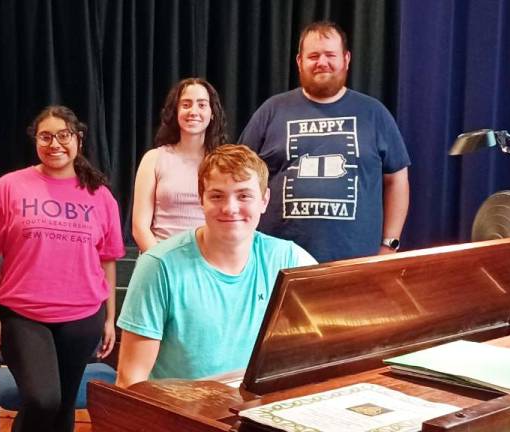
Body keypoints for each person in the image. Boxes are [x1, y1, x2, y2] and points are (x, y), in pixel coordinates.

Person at [116, 144, 317, 387]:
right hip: (179, 416)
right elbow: (131, 380)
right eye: (217, 196)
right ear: (201, 199)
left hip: (254, 410)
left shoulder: (289, 259)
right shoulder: (159, 266)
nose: (230, 208)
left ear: (264, 201)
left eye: (244, 196)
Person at [0, 106, 125, 432]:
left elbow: (108, 260)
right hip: (22, 314)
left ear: (79, 139)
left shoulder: (100, 195)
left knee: (63, 406)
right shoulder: (9, 187)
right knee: (43, 399)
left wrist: (109, 319)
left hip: (83, 318)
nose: (54, 144)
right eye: (46, 136)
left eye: (63, 135)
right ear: (36, 140)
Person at [239, 21, 410, 263]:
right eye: (313, 56)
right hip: (276, 262)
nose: (322, 62)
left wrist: (389, 244)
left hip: (357, 263)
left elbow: (397, 180)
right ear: (299, 62)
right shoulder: (272, 111)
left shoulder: (374, 113)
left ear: (346, 59)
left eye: (330, 55)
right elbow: (240, 176)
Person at [132, 77, 228, 252]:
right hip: (160, 260)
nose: (193, 111)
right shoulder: (153, 158)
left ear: (212, 113)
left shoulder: (223, 163)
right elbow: (140, 228)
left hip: (209, 262)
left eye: (201, 105)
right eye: (186, 104)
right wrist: (163, 263)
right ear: (175, 112)